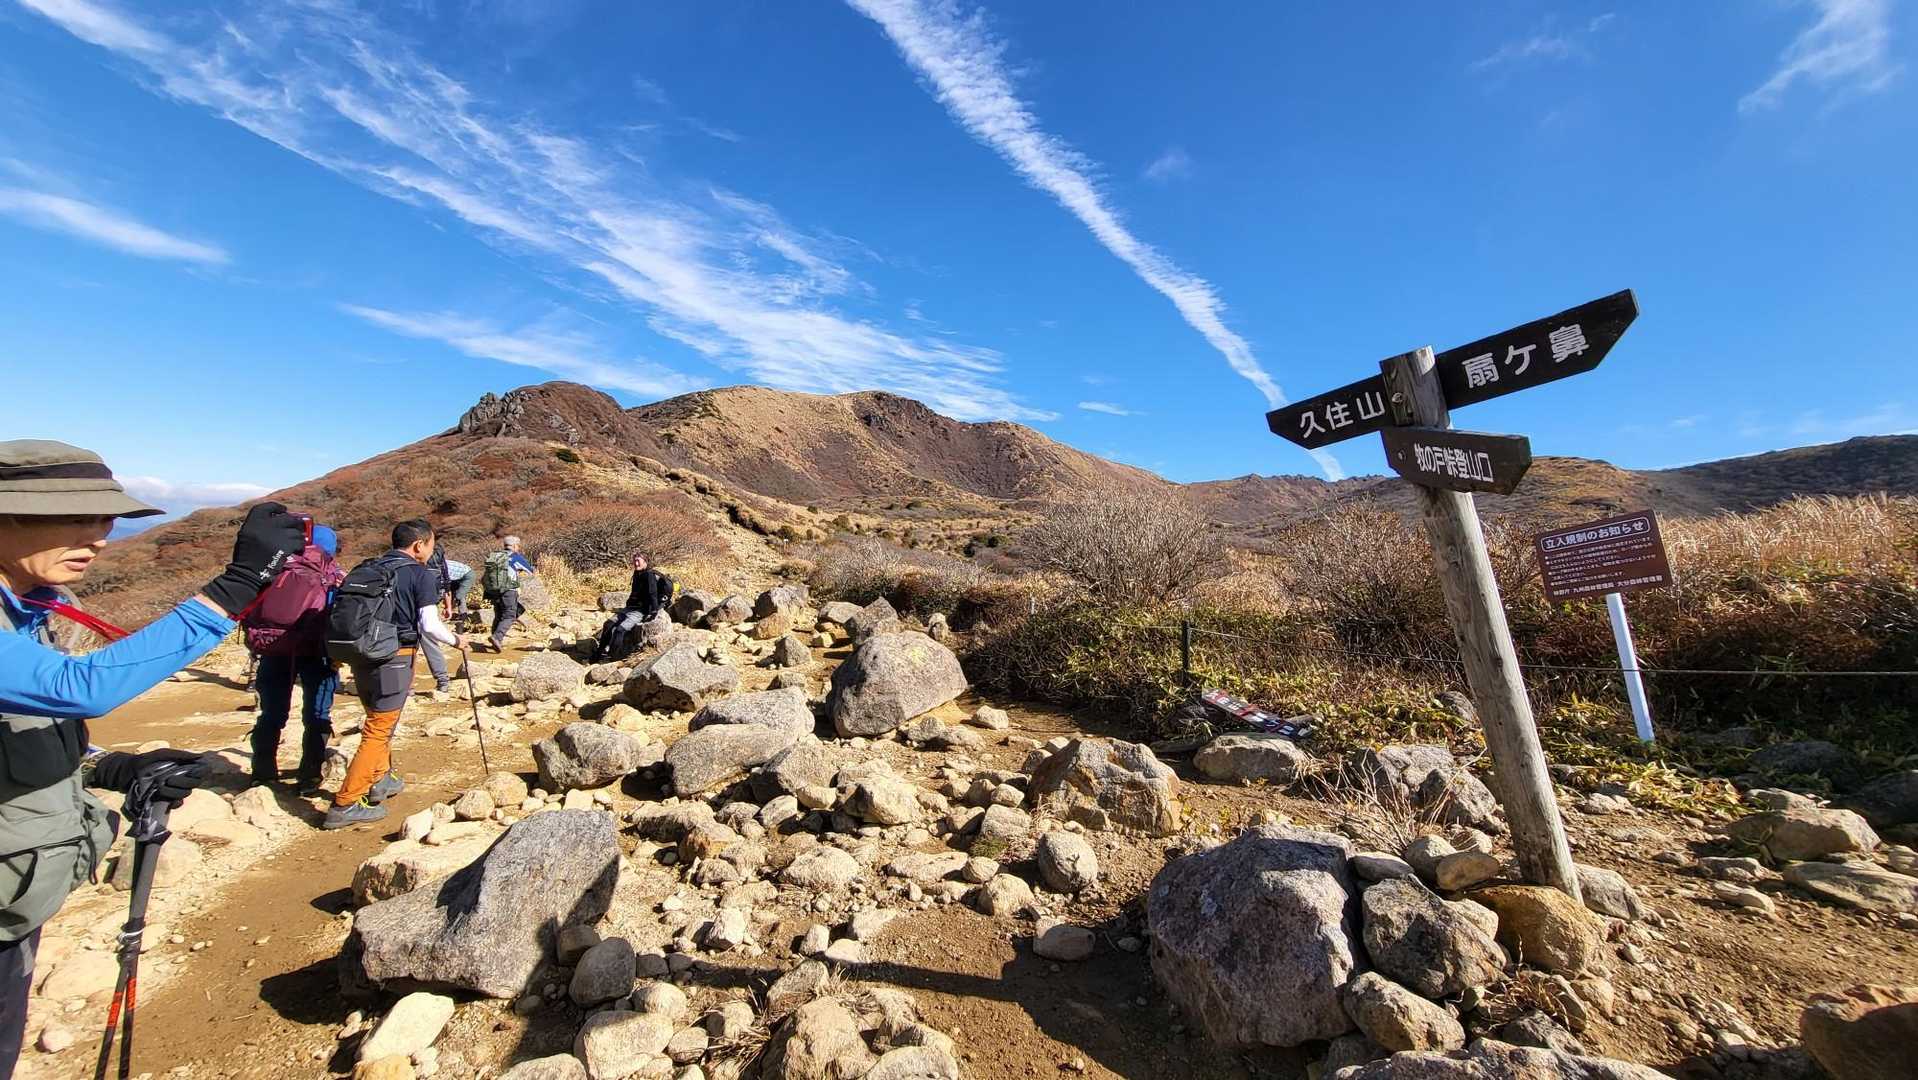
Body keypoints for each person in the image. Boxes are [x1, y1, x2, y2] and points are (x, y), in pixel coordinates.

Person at [0, 440, 305, 1075]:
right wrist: (233, 589)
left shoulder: (27, 610)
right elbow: (80, 688)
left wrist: (100, 766)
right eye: (74, 518)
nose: (97, 537)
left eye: (104, 519)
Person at [325, 518, 465, 829]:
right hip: (395, 656)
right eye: (431, 545)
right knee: (378, 729)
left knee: (377, 719)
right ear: (419, 545)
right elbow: (429, 625)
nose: (432, 551)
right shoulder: (419, 574)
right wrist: (457, 641)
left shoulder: (370, 567)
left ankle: (380, 778)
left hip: (362, 653)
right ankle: (346, 803)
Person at [241, 523, 344, 788]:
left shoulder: (275, 568)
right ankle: (310, 775)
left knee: (271, 713)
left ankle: (262, 772)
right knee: (317, 713)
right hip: (317, 652)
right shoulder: (333, 574)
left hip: (274, 649)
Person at [592, 552, 674, 662]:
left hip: (640, 611)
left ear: (645, 562)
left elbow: (652, 594)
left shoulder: (649, 575)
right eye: (634, 561)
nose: (636, 563)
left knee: (620, 630)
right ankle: (599, 652)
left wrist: (654, 611)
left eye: (638, 561)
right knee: (608, 624)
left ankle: (612, 657)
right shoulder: (637, 573)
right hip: (630, 608)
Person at [478, 534, 534, 653]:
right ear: (514, 546)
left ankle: (495, 639)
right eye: (518, 546)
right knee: (510, 615)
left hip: (493, 591)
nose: (518, 548)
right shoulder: (515, 557)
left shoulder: (496, 556)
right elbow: (530, 570)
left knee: (499, 615)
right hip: (509, 590)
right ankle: (497, 637)